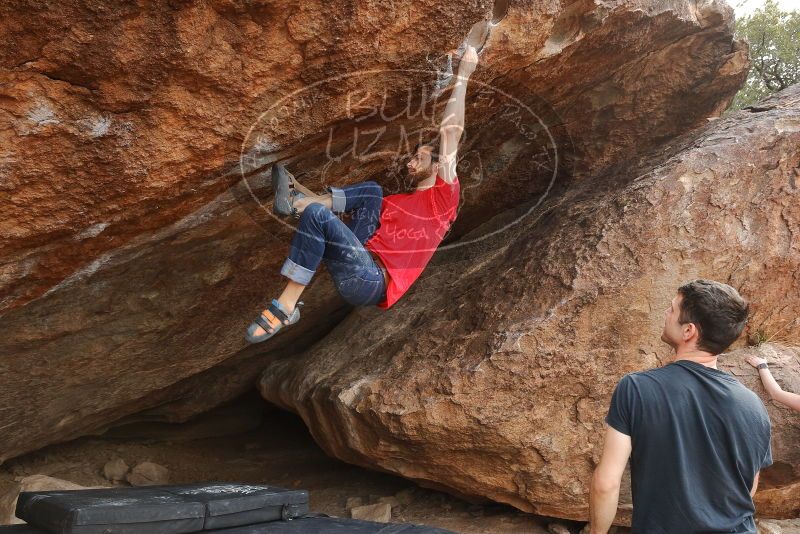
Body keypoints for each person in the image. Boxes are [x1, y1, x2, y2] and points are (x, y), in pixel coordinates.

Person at [245, 46, 479, 344]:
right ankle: (299, 203)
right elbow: (337, 230)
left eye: (420, 158)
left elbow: (450, 133)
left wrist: (464, 75)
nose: (410, 162)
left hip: (371, 281)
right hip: (356, 258)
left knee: (322, 212)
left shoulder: (443, 201)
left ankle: (285, 307)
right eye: (412, 157)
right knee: (370, 194)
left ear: (437, 166)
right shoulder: (394, 204)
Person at [589, 280, 772, 534]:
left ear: (689, 331)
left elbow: (606, 484)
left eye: (672, 309)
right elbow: (747, 488)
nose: (666, 314)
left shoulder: (637, 389)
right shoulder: (754, 406)